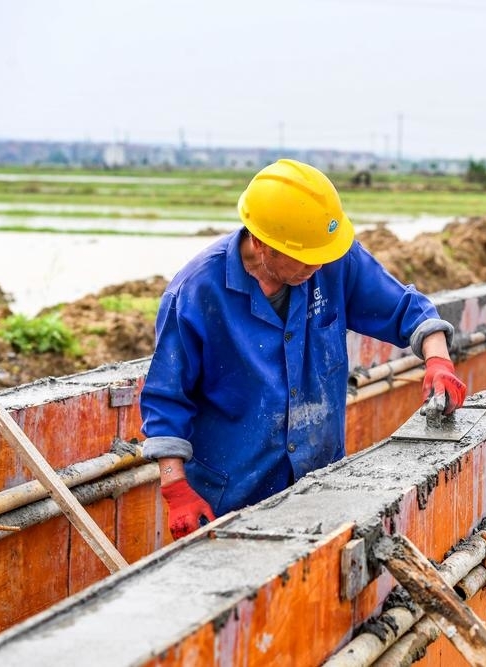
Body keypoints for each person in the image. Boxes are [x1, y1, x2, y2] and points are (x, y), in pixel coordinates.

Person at [139, 159, 467, 539]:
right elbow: (167, 397)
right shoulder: (196, 293)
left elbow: (406, 309)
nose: (317, 265)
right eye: (305, 256)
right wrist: (175, 488)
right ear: (261, 243)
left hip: (321, 488)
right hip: (229, 500)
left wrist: (438, 359)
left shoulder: (329, 259)